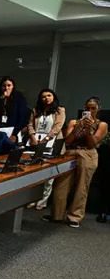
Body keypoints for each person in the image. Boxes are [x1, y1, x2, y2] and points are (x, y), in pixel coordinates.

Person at [45, 97, 108, 228]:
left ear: (98, 109)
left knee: (82, 186)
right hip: (71, 152)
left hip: (88, 154)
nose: (90, 111)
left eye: (93, 108)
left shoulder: (102, 125)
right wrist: (77, 128)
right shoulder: (74, 122)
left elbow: (92, 144)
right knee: (61, 184)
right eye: (87, 108)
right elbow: (67, 141)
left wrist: (88, 131)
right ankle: (57, 215)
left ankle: (74, 217)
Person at [25, 89, 65, 210]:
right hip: (36, 143)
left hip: (52, 143)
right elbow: (30, 124)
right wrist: (32, 136)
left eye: (49, 95)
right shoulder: (36, 110)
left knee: (48, 174)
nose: (46, 98)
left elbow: (58, 126)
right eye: (43, 96)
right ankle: (32, 199)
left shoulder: (60, 110)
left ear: (53, 97)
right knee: (34, 172)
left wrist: (46, 139)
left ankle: (42, 201)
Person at [0, 76, 28, 142]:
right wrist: (1, 100)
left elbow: (22, 117)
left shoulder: (19, 98)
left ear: (13, 86)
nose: (6, 88)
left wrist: (15, 133)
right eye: (4, 86)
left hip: (13, 130)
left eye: (9, 85)